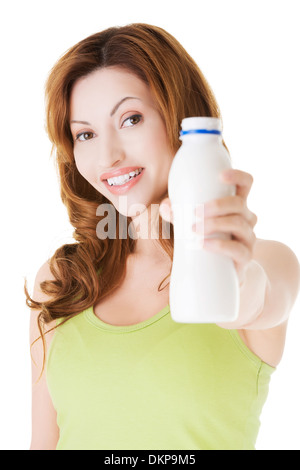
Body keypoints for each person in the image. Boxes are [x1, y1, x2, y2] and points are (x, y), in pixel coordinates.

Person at [25, 23, 300, 451]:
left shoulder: (266, 261)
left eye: (130, 118)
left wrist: (230, 267)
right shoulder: (61, 280)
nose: (107, 155)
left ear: (181, 121)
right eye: (85, 134)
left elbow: (253, 300)